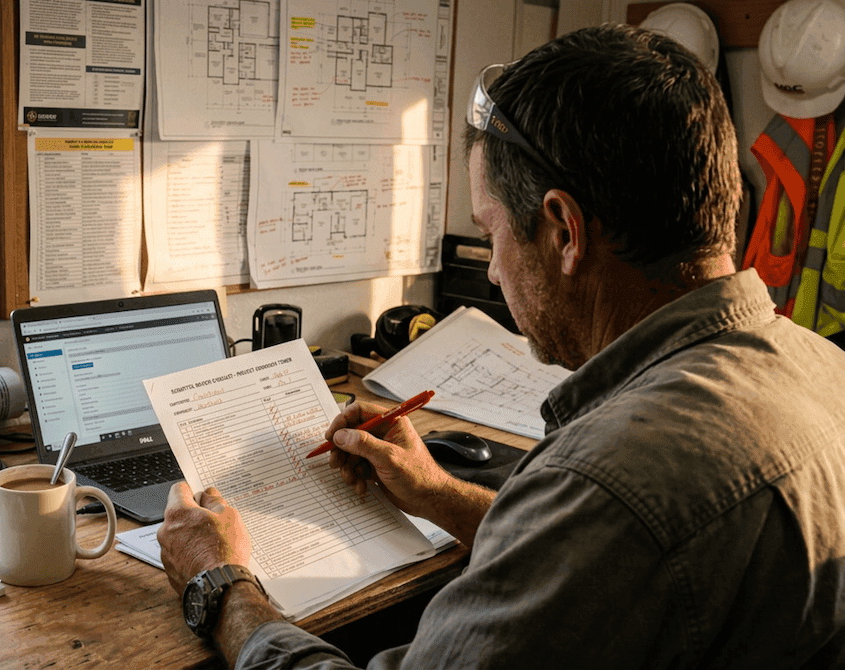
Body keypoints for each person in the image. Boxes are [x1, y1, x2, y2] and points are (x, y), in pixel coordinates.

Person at [156, 24, 845, 669]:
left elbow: (609, 531)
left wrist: (223, 587)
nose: (490, 269)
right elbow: (594, 559)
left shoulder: (609, 485)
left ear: (565, 231)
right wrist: (437, 494)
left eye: (491, 236)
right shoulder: (824, 368)